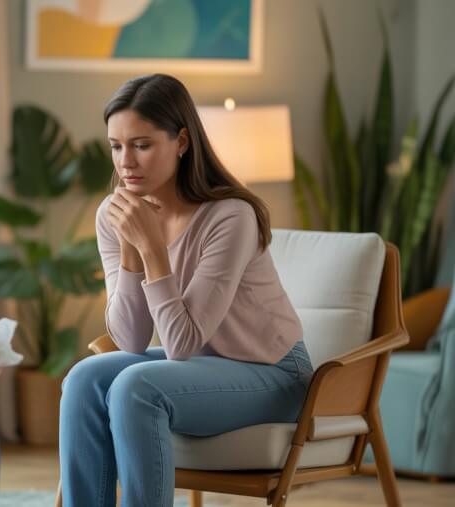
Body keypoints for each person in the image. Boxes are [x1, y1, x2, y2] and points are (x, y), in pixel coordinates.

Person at [58, 74, 313, 507]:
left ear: (180, 141)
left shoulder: (230, 217)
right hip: (202, 366)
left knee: (136, 387)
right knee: (85, 378)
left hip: (275, 375)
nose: (126, 163)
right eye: (116, 147)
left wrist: (153, 247)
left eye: (141, 145)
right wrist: (129, 249)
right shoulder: (115, 214)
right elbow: (131, 340)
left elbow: (179, 344)